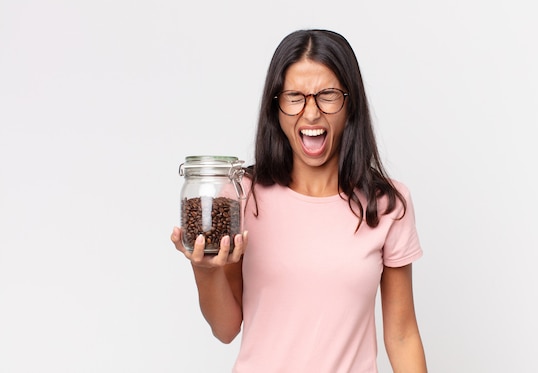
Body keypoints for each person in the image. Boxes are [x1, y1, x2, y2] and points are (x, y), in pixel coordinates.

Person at [171, 29, 427, 372]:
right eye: (295, 96)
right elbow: (226, 328)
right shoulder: (242, 194)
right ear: (276, 106)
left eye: (328, 95)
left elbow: (402, 335)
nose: (311, 114)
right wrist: (203, 269)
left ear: (350, 104)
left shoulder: (387, 205)